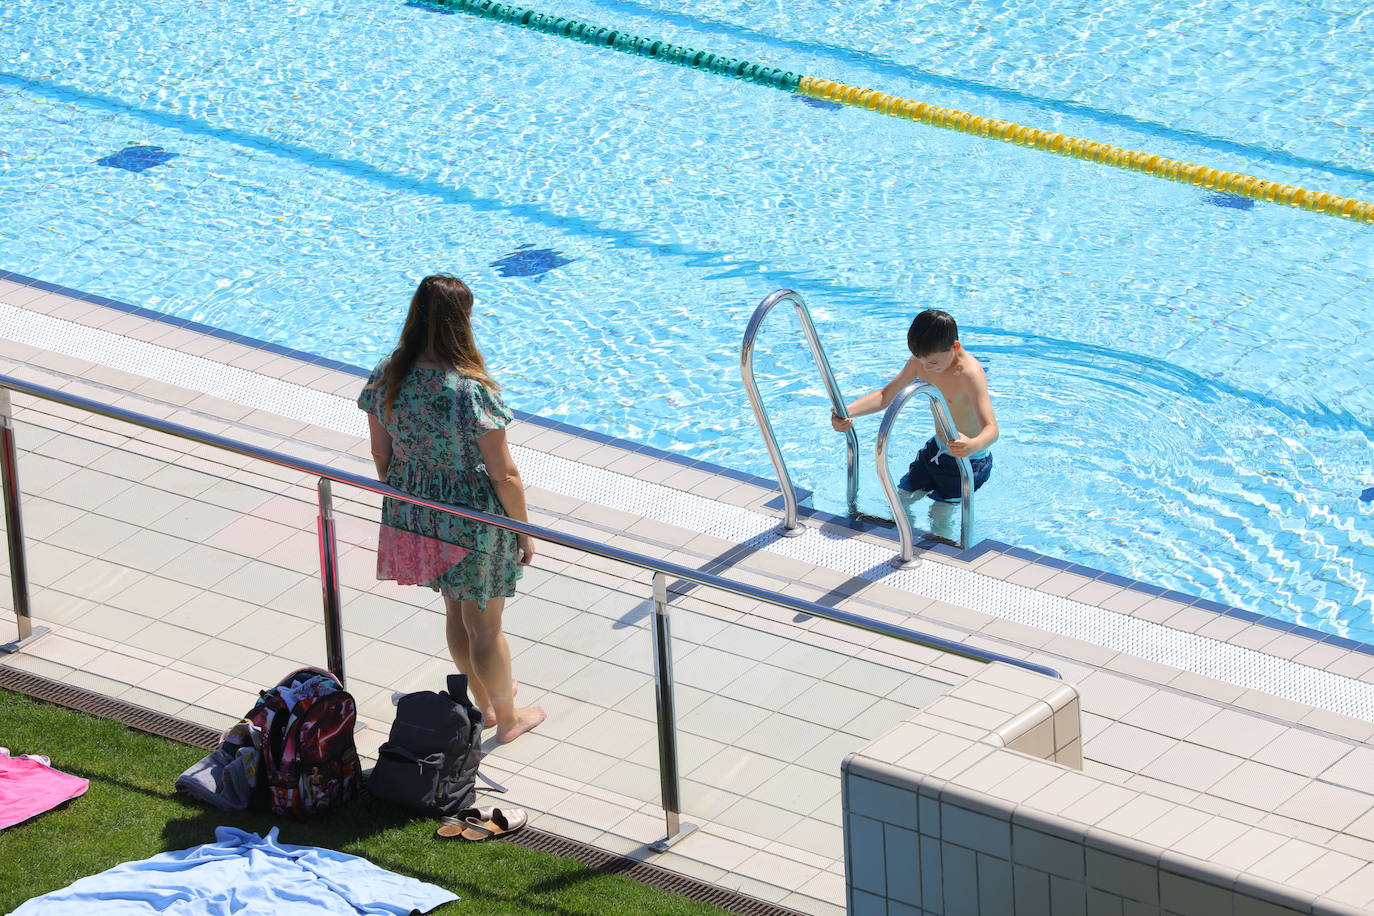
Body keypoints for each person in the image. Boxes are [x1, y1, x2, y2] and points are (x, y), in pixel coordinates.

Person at [358, 274, 545, 743]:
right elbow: (503, 474)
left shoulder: (389, 373)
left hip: (416, 505)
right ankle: (507, 716)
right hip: (471, 515)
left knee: (455, 610)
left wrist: (405, 501)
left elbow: (381, 454)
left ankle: (483, 700)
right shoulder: (469, 390)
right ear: (463, 320)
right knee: (484, 623)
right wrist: (522, 530)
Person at [831, 309, 998, 511]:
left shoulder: (970, 374)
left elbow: (992, 429)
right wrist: (845, 412)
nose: (926, 369)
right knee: (901, 499)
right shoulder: (921, 362)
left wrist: (972, 445)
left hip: (969, 461)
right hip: (936, 450)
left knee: (939, 514)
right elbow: (885, 396)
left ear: (955, 346)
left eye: (933, 363)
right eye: (921, 361)